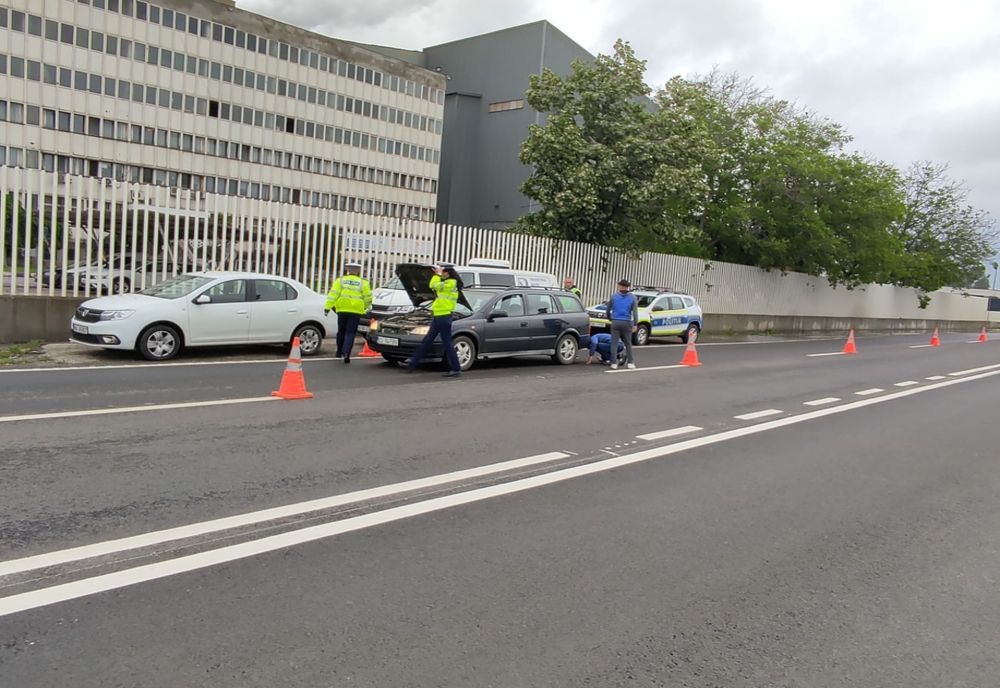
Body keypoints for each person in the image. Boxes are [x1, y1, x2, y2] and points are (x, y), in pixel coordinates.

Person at [406, 265, 463, 377]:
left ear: (448, 273)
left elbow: (432, 285)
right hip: (439, 316)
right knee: (428, 340)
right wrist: (437, 275)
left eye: (444, 272)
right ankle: (413, 362)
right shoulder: (448, 283)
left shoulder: (451, 283)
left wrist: (437, 275)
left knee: (447, 343)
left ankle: (456, 368)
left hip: (444, 316)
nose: (443, 274)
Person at [325, 260, 372, 364]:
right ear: (358, 271)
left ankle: (339, 352)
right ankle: (347, 353)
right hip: (356, 311)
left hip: (342, 309)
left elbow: (333, 295)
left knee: (341, 331)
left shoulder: (340, 281)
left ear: (347, 270)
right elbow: (368, 298)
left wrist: (327, 308)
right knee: (350, 333)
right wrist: (364, 307)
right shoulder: (363, 282)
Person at [606, 279, 638, 370]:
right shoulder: (633, 297)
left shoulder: (614, 296)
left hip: (615, 321)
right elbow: (635, 312)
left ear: (621, 286)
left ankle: (613, 363)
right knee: (628, 343)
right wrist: (635, 324)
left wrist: (610, 318)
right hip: (627, 322)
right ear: (628, 287)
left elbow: (608, 310)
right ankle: (630, 363)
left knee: (614, 343)